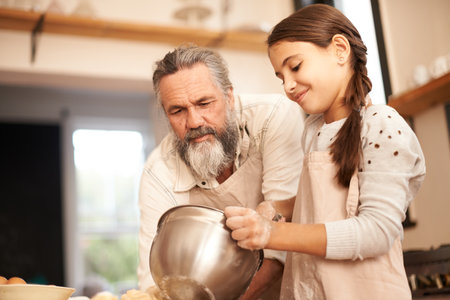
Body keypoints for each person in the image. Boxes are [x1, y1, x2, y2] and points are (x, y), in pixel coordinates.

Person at [224, 4, 426, 300]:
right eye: (281, 77)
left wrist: (272, 234)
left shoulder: (382, 125)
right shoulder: (314, 130)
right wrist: (278, 208)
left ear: (340, 50)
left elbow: (377, 231)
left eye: (295, 67)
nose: (288, 86)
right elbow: (333, 199)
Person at [137, 45, 305, 299]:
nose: (194, 122)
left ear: (229, 97)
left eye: (204, 103)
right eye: (177, 110)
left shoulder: (273, 118)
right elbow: (154, 281)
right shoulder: (158, 172)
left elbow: (277, 243)